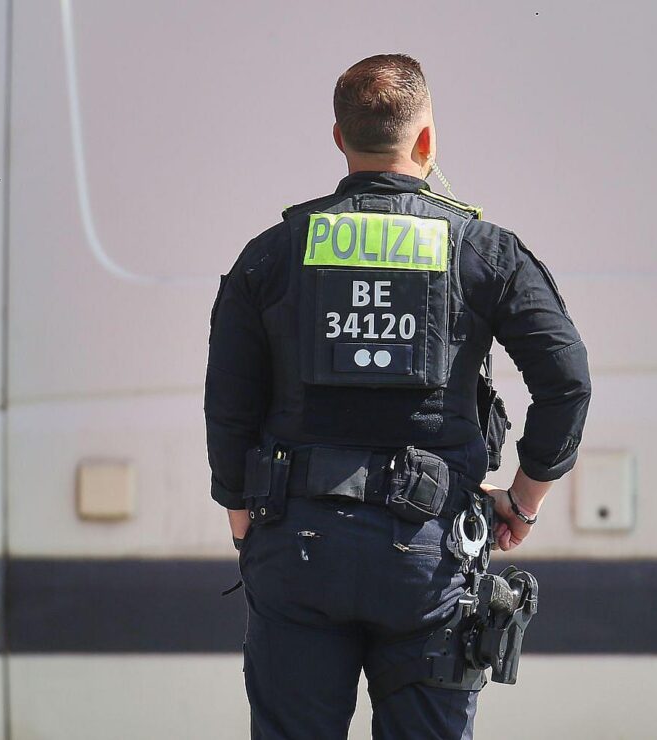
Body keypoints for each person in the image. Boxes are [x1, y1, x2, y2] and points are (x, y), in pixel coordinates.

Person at [205, 53, 591, 740]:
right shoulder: (484, 252)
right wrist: (523, 503)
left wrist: (245, 522)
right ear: (426, 142)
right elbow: (566, 383)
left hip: (296, 551)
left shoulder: (271, 254)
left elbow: (228, 408)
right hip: (428, 556)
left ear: (338, 138)